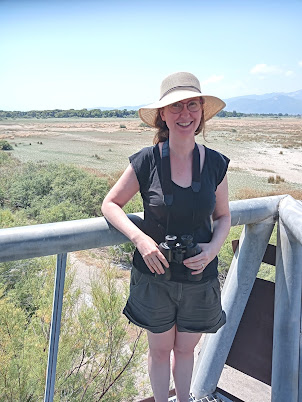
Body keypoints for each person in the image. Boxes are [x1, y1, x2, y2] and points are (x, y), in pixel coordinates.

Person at [101, 72, 231, 402]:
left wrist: (213, 249)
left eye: (191, 105)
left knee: (185, 352)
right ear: (162, 114)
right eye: (175, 107)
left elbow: (223, 216)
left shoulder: (215, 164)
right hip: (154, 278)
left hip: (199, 278)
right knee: (160, 352)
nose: (184, 114)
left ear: (201, 111)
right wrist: (140, 239)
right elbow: (111, 204)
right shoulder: (147, 161)